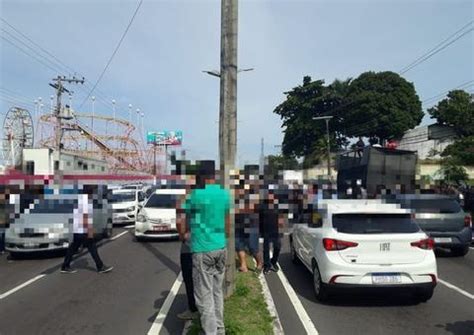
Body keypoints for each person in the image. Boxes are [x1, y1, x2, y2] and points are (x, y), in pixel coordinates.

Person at [181, 163, 230, 335]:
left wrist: (184, 235)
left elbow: (183, 222)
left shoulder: (194, 196)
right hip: (221, 248)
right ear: (214, 175)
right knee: (217, 292)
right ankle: (219, 329)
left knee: (204, 297)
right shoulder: (224, 194)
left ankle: (210, 332)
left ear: (200, 177)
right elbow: (227, 223)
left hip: (202, 250)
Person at [61, 186, 113, 274]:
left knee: (73, 248)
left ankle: (65, 266)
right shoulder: (85, 202)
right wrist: (89, 231)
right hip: (82, 229)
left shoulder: (79, 200)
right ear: (89, 193)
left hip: (77, 229)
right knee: (92, 247)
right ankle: (100, 266)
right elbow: (85, 217)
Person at [176, 180, 199, 321]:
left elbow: (179, 222)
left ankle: (193, 309)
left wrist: (182, 236)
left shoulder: (185, 201)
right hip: (206, 245)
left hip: (189, 247)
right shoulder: (206, 200)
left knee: (189, 280)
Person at [261, 186, 283, 275]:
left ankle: (273, 261)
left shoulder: (278, 205)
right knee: (266, 248)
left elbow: (281, 216)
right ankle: (267, 265)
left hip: (276, 230)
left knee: (277, 247)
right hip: (266, 229)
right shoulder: (263, 206)